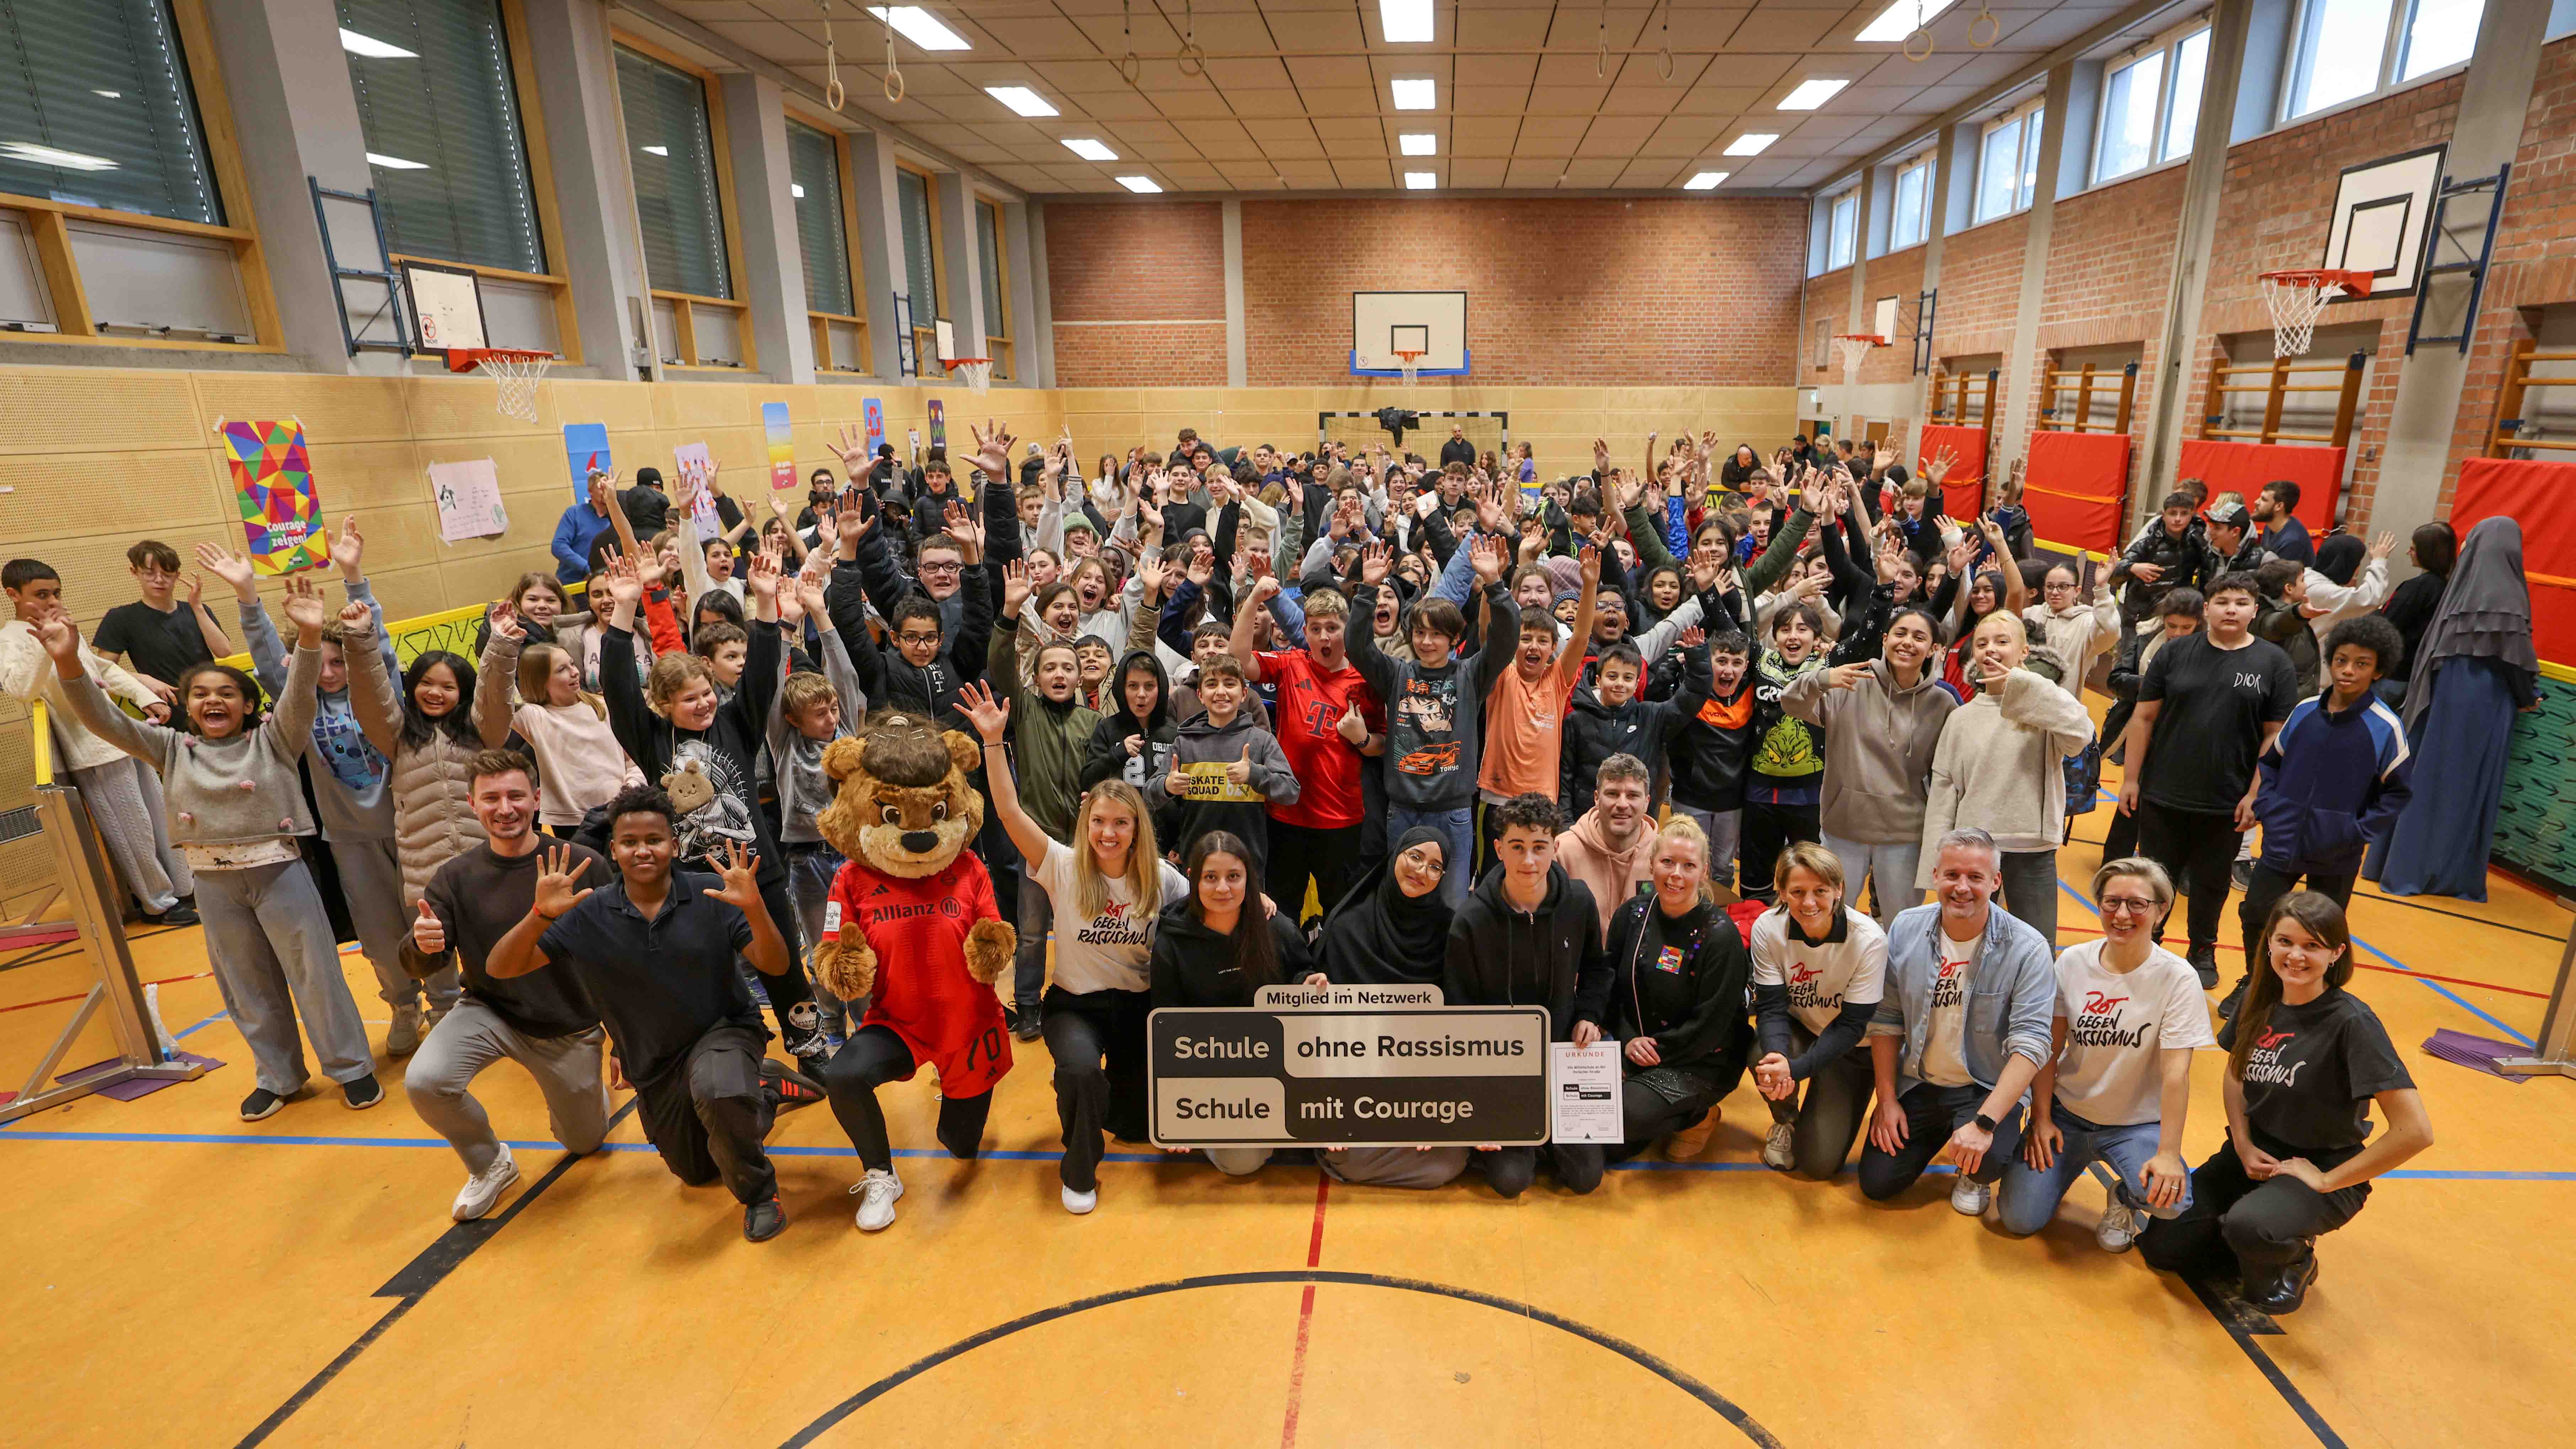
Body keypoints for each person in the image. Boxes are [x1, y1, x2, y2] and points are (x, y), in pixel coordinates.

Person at [42, 578, 380, 1119]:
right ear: (189, 707)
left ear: (248, 705)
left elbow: (299, 693)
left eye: (226, 693)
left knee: (316, 976)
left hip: (280, 874)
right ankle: (278, 1076)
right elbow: (102, 719)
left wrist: (312, 634)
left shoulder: (275, 738)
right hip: (213, 884)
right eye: (200, 694)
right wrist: (69, 666)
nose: (212, 701)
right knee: (247, 988)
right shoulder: (170, 748)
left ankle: (351, 1068)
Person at [487, 797, 817, 1242]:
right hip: (654, 1061)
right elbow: (500, 968)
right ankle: (763, 1090)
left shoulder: (712, 893)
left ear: (675, 845)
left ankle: (761, 1193)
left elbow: (776, 966)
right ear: (615, 851)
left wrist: (756, 908)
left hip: (725, 1031)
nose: (643, 850)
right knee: (699, 1171)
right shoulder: (588, 911)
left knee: (720, 1091)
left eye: (655, 839)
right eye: (630, 842)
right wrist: (539, 915)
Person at [2138, 893, 2433, 1312]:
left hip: (2322, 1167)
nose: (2296, 956)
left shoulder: (2352, 1022)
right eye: (2285, 941)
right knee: (2162, 1248)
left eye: (2312, 945)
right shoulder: (2257, 998)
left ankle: (2295, 1256)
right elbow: (2235, 1072)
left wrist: (2328, 1180)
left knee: (2252, 1236)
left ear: (2336, 952)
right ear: (2270, 944)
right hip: (2253, 1155)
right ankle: (2245, 1231)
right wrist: (2241, 1142)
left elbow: (2415, 1131)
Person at [961, 679, 1188, 1213]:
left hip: (1137, 1010)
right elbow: (1011, 812)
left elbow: (1212, 904)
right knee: (1081, 1074)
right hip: (1076, 1007)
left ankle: (1113, 1102)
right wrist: (994, 743)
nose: (1108, 833)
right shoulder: (1062, 865)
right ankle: (1079, 1170)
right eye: (1100, 823)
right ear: (1086, 825)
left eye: (1120, 823)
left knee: (1134, 1125)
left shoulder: (1162, 879)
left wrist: (1261, 901)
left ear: (1136, 829)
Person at [598, 550, 828, 1059]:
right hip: (696, 885)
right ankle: (739, 1053)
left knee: (785, 965)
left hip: (759, 873)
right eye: (689, 700)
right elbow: (616, 689)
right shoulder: (652, 737)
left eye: (705, 693)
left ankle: (810, 1048)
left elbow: (763, 671)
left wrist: (766, 603)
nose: (703, 703)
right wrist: (623, 610)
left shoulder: (736, 722)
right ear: (664, 706)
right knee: (715, 975)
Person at [816, 724, 1016, 1235]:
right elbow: (833, 947)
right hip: (898, 1024)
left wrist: (991, 949)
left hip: (968, 1026)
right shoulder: (850, 879)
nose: (918, 832)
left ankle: (951, 1089)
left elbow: (992, 932)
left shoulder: (970, 867)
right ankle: (881, 1173)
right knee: (843, 1076)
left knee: (961, 1146)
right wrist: (842, 965)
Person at [402, 751, 617, 1221]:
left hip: (568, 1024)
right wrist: (423, 944)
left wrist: (625, 1036)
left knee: (584, 1143)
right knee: (425, 1082)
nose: (505, 808)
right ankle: (489, 1163)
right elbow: (421, 959)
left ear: (537, 799)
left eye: (516, 796)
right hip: (489, 1010)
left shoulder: (583, 864)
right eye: (492, 798)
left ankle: (587, 1101)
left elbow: (622, 955)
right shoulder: (455, 877)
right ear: (472, 804)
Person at [1995, 857, 2212, 1250]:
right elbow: (2049, 1048)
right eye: (2111, 902)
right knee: (2019, 1218)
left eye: (2137, 904)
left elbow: (2176, 1075)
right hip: (2066, 1116)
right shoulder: (2073, 962)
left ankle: (2126, 1198)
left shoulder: (2178, 978)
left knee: (2170, 1201)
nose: (2122, 914)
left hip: (2137, 1124)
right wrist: (2042, 1118)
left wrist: (2168, 1153)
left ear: (2161, 910)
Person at [1859, 828, 2056, 1213]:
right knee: (1877, 1183)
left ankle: (1971, 1167)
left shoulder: (2029, 948)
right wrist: (1886, 1099)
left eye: (1975, 877)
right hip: (1921, 1081)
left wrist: (1984, 1123)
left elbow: (2032, 1045)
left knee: (1986, 1162)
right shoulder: (1905, 928)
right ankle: (1942, 1133)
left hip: (1983, 1087)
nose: (1961, 887)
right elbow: (1886, 1020)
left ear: (1996, 881)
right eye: (1951, 875)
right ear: (1935, 875)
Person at [2116, 573, 2300, 985]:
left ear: (2255, 610)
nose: (2230, 609)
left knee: (2212, 884)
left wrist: (2255, 793)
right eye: (2221, 601)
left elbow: (2274, 734)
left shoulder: (2273, 663)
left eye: (2240, 602)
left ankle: (2202, 950)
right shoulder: (2174, 653)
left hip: (2226, 799)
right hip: (2163, 792)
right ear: (2206, 609)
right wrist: (2131, 779)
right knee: (2154, 879)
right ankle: (2150, 946)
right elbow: (2143, 717)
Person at [2225, 615, 2413, 1018]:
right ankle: (2256, 985)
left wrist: (2354, 830)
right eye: (2342, 660)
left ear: (2378, 670)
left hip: (2337, 851)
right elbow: (2272, 762)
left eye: (2361, 663)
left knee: (2321, 933)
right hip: (2281, 839)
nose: (2348, 670)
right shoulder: (2305, 711)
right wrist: (2270, 808)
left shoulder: (2385, 726)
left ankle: (2307, 999)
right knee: (2257, 914)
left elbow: (2396, 792)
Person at [2, 559, 195, 924]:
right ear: (13, 594)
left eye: (56, 592)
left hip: (123, 733)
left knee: (159, 817)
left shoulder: (62, 624)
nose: (51, 600)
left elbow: (101, 669)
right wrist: (46, 646)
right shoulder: (9, 640)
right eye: (41, 594)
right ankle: (159, 902)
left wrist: (143, 695)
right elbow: (22, 690)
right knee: (132, 831)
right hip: (89, 751)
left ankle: (184, 887)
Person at [1445, 793, 1612, 1199]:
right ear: (1499, 848)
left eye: (1540, 847)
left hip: (1562, 1056)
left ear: (1556, 847)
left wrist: (1588, 1013)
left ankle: (1552, 1132)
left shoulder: (1578, 901)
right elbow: (1459, 1011)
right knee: (1509, 1182)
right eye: (1517, 847)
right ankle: (1530, 1138)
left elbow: (1597, 967)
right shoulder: (1470, 920)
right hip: (1503, 1068)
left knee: (1587, 1179)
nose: (1529, 861)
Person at [1346, 535, 1518, 908]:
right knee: (1402, 902)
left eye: (1437, 634)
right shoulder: (1396, 673)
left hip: (1453, 813)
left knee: (1451, 905)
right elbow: (1357, 647)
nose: (1426, 641)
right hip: (1402, 810)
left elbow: (1506, 640)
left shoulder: (1471, 674)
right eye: (1420, 633)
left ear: (1454, 639)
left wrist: (1495, 584)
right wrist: (1367, 590)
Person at [2372, 517, 2537, 901]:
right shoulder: (2505, 593)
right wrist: (2528, 694)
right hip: (2482, 702)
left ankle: (2393, 864)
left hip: (2439, 697)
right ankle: (2440, 873)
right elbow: (2513, 657)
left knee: (2425, 777)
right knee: (2460, 787)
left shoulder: (2457, 591)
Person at [1918, 612, 2094, 947]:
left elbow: (2081, 733)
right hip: (1976, 853)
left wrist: (2024, 684)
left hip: (2033, 850)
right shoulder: (1961, 718)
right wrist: (1937, 865)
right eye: (1982, 643)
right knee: (1968, 944)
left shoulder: (2045, 704)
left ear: (2025, 651)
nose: (1991, 650)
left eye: (2002, 641)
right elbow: (1944, 792)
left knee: (2038, 948)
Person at [1311, 828, 1472, 1189]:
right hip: (1353, 1081)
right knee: (1346, 1150)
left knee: (1448, 1161)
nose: (1421, 871)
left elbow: (1456, 1030)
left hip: (1420, 1081)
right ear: (1396, 855)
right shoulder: (1349, 927)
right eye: (1415, 857)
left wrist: (1432, 1108)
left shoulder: (1449, 932)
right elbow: (1322, 1035)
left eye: (1435, 866)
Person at [1148, 831, 1312, 1178]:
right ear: (1193, 878)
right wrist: (1179, 1113)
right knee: (1242, 1162)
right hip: (1213, 1077)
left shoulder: (1277, 929)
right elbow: (1165, 1030)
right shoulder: (1171, 943)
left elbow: (1301, 974)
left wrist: (1308, 985)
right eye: (1211, 877)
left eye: (1233, 877)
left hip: (1278, 1069)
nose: (1223, 888)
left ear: (1249, 879)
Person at [1781, 606, 1954, 926]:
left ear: (1933, 650)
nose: (1908, 643)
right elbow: (1791, 702)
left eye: (1919, 637)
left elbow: (1950, 774)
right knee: (1827, 920)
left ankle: (1894, 980)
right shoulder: (1850, 683)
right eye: (1900, 634)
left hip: (1905, 835)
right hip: (1843, 829)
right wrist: (1821, 679)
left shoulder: (1943, 703)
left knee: (1902, 928)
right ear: (1886, 639)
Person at [1603, 816, 1754, 1163]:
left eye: (1688, 865)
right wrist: (1627, 1041)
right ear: (1652, 862)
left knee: (1623, 1116)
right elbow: (1610, 988)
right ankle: (1648, 1112)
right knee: (1602, 1141)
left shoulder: (1720, 935)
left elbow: (1712, 1024)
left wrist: (1644, 1055)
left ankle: (1699, 1116)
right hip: (1637, 1047)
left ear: (1704, 872)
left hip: (1701, 1059)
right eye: (1667, 862)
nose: (1676, 874)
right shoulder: (1633, 914)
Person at [1232, 576, 1372, 928]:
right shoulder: (1291, 663)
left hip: (1341, 818)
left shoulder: (1366, 679)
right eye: (1315, 628)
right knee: (1281, 912)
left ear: (1347, 629)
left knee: (1341, 915)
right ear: (1305, 632)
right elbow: (1237, 661)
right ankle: (1287, 979)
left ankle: (1335, 977)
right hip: (1286, 815)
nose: (1324, 637)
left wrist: (1363, 739)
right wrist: (1253, 600)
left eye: (1332, 628)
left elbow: (1383, 742)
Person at [1749, 843, 1887, 1177]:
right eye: (1797, 891)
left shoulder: (1869, 939)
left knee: (1819, 1166)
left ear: (1840, 890)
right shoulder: (1768, 928)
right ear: (1781, 892)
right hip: (1802, 1032)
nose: (1809, 903)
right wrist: (1781, 1062)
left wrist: (1796, 1071)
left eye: (1820, 891)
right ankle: (1786, 1119)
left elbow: (1852, 1026)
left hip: (1852, 1049)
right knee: (1761, 1055)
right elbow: (1770, 1008)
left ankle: (1828, 1096)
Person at [478, 601, 645, 836]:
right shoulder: (535, 718)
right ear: (540, 681)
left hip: (622, 810)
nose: (575, 672)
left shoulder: (603, 707)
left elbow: (633, 761)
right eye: (561, 670)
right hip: (571, 822)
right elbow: (496, 698)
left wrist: (630, 791)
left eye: (572, 664)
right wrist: (501, 645)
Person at [1147, 655, 1297, 880]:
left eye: (1230, 684)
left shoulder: (1262, 741)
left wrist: (1255, 774)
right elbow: (1150, 794)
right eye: (1212, 684)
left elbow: (1291, 792)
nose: (1221, 692)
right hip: (1196, 865)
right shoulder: (1185, 743)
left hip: (1248, 865)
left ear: (1244, 693)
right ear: (1200, 694)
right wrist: (1167, 786)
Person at [91, 539, 232, 697]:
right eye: (149, 574)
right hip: (168, 708)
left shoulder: (197, 610)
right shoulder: (120, 618)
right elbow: (103, 670)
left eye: (167, 574)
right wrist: (144, 680)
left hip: (212, 699)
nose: (159, 580)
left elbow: (224, 651)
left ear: (177, 576)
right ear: (134, 572)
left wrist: (197, 607)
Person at [1555, 754, 1658, 941]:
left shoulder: (1666, 857)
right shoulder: (1562, 851)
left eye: (1633, 795)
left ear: (1647, 802)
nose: (1622, 805)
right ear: (1596, 798)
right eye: (1612, 794)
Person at [2376, 522, 2455, 705]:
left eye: (2413, 548)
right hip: (2413, 675)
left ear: (2427, 553)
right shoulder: (2448, 586)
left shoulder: (2418, 587)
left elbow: (2385, 626)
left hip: (2393, 675)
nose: (2408, 552)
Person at [552, 471, 621, 583]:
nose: (605, 491)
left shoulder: (617, 518)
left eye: (608, 487)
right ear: (590, 491)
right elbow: (558, 546)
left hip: (607, 582)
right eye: (601, 487)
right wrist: (588, 568)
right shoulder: (574, 513)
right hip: (573, 583)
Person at [2249, 480, 2313, 567]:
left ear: (2279, 506)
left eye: (2264, 500)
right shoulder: (2270, 526)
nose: (2256, 502)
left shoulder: (2292, 542)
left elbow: (2278, 578)